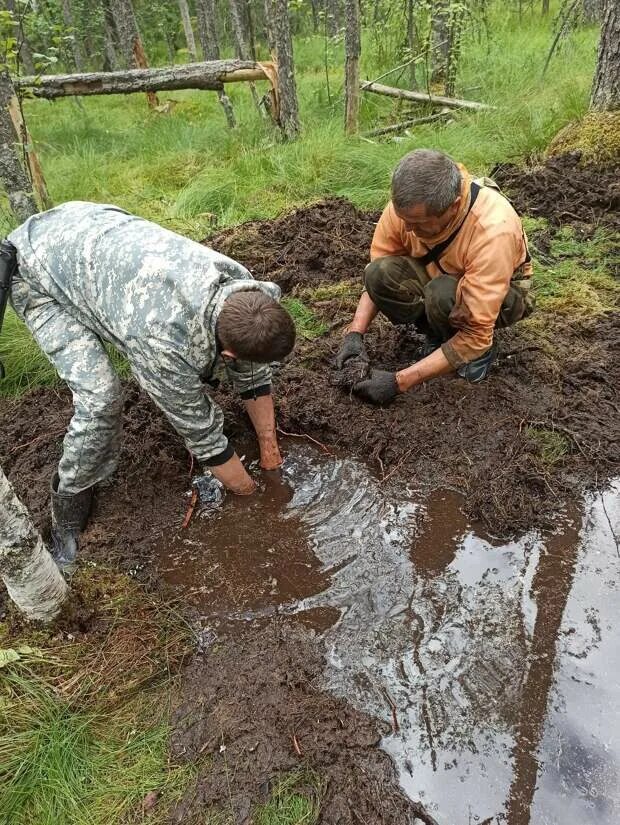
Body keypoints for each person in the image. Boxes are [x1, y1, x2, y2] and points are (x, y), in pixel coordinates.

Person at [6, 201, 296, 565]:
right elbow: (203, 436)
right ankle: (67, 508)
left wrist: (270, 449)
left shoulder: (244, 291)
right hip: (38, 270)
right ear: (229, 356)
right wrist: (254, 497)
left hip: (95, 231)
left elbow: (253, 371)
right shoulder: (163, 344)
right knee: (102, 399)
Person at [335, 149, 534, 403]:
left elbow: (476, 334)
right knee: (379, 274)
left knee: (441, 294)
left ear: (451, 208)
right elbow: (378, 272)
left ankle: (478, 354)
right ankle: (438, 335)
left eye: (417, 223)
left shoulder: (494, 229)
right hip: (439, 274)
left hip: (502, 296)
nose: (407, 228)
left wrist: (397, 382)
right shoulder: (407, 210)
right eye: (403, 218)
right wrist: (354, 335)